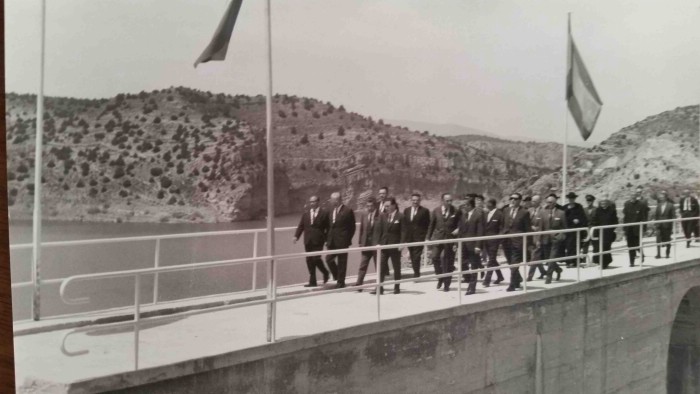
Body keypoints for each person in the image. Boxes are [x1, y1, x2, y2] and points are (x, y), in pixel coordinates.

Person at [293, 195, 330, 287]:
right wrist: (296, 236)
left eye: (314, 201)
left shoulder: (324, 213)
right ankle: (312, 281)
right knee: (309, 260)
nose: (312, 203)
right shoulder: (306, 214)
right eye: (310, 202)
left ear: (318, 202)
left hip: (319, 240)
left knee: (316, 258)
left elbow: (328, 228)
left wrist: (327, 239)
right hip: (308, 240)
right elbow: (301, 226)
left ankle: (325, 272)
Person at [427, 193, 461, 292]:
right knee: (434, 257)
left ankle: (447, 284)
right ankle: (440, 277)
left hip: (450, 239)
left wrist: (458, 229)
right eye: (447, 201)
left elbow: (461, 224)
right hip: (438, 238)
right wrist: (428, 238)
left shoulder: (456, 211)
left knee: (447, 261)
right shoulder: (436, 210)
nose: (449, 202)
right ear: (442, 201)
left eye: (451, 200)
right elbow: (431, 225)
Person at [325, 192, 356, 288]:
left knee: (342, 262)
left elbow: (352, 227)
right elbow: (328, 226)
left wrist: (347, 239)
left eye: (331, 200)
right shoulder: (330, 210)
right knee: (328, 259)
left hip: (343, 241)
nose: (330, 201)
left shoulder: (348, 210)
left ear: (337, 200)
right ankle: (338, 276)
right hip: (332, 241)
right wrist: (327, 239)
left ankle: (341, 282)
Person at [374, 198, 405, 295]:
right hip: (384, 245)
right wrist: (377, 243)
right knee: (381, 266)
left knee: (396, 267)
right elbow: (378, 230)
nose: (385, 208)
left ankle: (397, 287)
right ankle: (380, 288)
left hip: (395, 246)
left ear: (394, 206)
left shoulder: (401, 216)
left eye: (387, 206)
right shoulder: (383, 216)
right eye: (385, 206)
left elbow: (404, 232)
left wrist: (402, 243)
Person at [501, 192, 531, 292]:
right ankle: (518, 279)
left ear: (519, 200)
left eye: (515, 199)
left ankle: (512, 284)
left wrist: (529, 244)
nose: (512, 200)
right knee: (510, 262)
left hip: (517, 242)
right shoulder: (506, 210)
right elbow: (502, 225)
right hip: (506, 240)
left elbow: (528, 229)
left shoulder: (524, 212)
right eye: (511, 198)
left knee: (514, 262)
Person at [455, 198, 485, 295]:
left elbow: (480, 231)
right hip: (464, 244)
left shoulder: (478, 215)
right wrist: (456, 244)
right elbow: (461, 230)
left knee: (474, 266)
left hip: (473, 245)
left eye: (465, 205)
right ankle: (468, 279)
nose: (464, 207)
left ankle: (472, 287)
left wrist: (478, 245)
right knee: (463, 264)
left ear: (470, 205)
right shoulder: (463, 215)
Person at [354, 197, 382, 291]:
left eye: (371, 206)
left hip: (376, 245)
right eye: (367, 206)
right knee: (363, 265)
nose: (369, 208)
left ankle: (379, 286)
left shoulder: (381, 215)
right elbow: (361, 229)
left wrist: (381, 243)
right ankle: (359, 285)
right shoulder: (364, 215)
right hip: (366, 245)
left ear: (375, 206)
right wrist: (360, 243)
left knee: (378, 266)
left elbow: (383, 231)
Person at [539, 194, 566, 284]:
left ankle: (549, 277)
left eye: (550, 202)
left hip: (556, 239)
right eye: (547, 202)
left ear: (554, 203)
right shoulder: (542, 212)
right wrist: (538, 239)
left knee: (552, 257)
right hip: (545, 238)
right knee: (548, 258)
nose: (548, 204)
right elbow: (540, 227)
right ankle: (558, 269)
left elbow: (565, 227)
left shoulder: (561, 213)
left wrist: (560, 236)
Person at [403, 193, 431, 278]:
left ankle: (416, 273)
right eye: (413, 200)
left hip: (419, 237)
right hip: (409, 237)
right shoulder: (406, 210)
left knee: (416, 255)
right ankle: (416, 271)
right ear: (411, 201)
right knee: (412, 254)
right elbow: (405, 224)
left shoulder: (424, 211)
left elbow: (428, 224)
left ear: (420, 201)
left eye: (417, 200)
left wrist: (426, 236)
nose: (415, 202)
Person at [622, 186, 650, 266]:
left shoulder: (641, 204)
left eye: (634, 196)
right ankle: (632, 262)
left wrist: (644, 227)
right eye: (631, 196)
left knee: (637, 244)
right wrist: (624, 228)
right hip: (629, 228)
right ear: (630, 196)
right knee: (630, 245)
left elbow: (644, 217)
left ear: (636, 196)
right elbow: (625, 217)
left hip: (637, 229)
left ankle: (641, 254)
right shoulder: (626, 204)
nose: (633, 197)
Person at [590, 196, 618, 268]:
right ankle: (601, 263)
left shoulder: (612, 211)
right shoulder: (598, 210)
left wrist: (611, 229)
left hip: (608, 233)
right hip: (599, 232)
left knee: (606, 247)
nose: (603, 204)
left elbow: (615, 221)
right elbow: (594, 220)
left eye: (605, 202)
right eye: (602, 202)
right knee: (599, 248)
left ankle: (605, 263)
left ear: (608, 203)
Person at [482, 198, 505, 287]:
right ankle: (500, 276)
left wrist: (499, 240)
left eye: (487, 203)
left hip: (494, 241)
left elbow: (501, 228)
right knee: (493, 259)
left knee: (491, 260)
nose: (486, 204)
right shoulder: (486, 213)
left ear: (491, 204)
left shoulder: (499, 214)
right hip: (486, 240)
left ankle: (487, 280)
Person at [563, 192, 588, 268]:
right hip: (568, 230)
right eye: (570, 198)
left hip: (577, 230)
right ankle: (569, 261)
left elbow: (583, 217)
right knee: (569, 246)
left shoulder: (579, 207)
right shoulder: (565, 207)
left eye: (572, 198)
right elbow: (563, 218)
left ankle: (575, 261)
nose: (571, 200)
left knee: (577, 246)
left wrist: (579, 221)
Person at [527, 194, 547, 281]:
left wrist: (537, 229)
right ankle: (544, 271)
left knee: (534, 256)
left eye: (534, 201)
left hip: (538, 237)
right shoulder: (530, 210)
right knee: (536, 256)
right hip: (530, 236)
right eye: (532, 201)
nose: (532, 202)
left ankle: (530, 276)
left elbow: (544, 225)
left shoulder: (543, 211)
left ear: (539, 202)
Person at [653, 190, 676, 259]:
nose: (661, 198)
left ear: (666, 197)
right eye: (660, 197)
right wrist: (656, 224)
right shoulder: (658, 205)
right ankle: (658, 254)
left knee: (667, 240)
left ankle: (667, 253)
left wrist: (670, 224)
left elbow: (673, 216)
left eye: (662, 197)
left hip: (667, 226)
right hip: (659, 225)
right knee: (658, 240)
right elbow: (656, 215)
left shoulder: (670, 205)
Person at [582, 195, 597, 263]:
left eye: (590, 201)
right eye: (587, 201)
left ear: (593, 201)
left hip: (594, 229)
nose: (589, 202)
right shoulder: (584, 210)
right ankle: (584, 259)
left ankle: (595, 259)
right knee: (585, 245)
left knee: (595, 245)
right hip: (586, 230)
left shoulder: (596, 209)